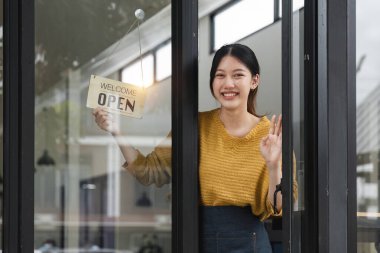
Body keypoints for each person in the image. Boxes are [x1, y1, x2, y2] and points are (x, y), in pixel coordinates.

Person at [93, 43, 297, 252]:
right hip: (195, 240)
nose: (228, 83)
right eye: (220, 75)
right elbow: (148, 171)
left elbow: (281, 207)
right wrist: (115, 131)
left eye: (237, 75)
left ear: (254, 81)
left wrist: (273, 166)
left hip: (251, 245)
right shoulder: (193, 126)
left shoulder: (271, 135)